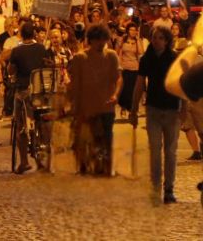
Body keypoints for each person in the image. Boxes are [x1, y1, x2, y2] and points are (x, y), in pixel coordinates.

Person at [131, 22, 180, 204]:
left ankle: (169, 188)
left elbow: (180, 83)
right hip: (153, 109)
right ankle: (155, 187)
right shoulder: (146, 59)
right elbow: (139, 84)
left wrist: (184, 108)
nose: (156, 41)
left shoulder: (174, 58)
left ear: (167, 41)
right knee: (155, 151)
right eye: (154, 38)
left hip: (172, 109)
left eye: (160, 38)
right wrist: (134, 109)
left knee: (170, 151)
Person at [67, 24, 122, 176]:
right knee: (86, 137)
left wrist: (115, 95)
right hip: (87, 106)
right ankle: (85, 162)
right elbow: (75, 84)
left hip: (106, 106)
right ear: (90, 41)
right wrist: (74, 105)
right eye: (98, 41)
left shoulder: (111, 56)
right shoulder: (79, 58)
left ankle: (105, 165)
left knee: (107, 137)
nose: (102, 44)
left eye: (104, 41)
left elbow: (118, 78)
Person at [7, 21, 48, 174]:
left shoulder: (17, 51)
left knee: (20, 126)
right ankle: (42, 159)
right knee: (41, 121)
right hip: (40, 92)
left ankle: (24, 161)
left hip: (23, 91)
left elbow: (11, 71)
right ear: (34, 34)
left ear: (21, 34)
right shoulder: (42, 48)